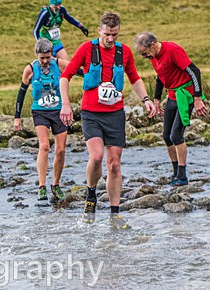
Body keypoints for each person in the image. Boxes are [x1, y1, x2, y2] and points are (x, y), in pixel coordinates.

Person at [59, 11, 156, 229]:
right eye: (107, 35)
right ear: (99, 31)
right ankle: (91, 196)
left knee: (114, 164)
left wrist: (146, 99)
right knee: (96, 158)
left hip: (115, 114)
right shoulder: (87, 49)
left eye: (115, 34)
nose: (111, 39)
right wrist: (66, 105)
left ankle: (114, 214)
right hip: (91, 113)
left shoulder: (125, 52)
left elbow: (134, 78)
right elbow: (65, 76)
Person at [134, 32, 206, 187]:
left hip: (186, 95)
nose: (144, 57)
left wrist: (198, 98)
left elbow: (194, 71)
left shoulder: (172, 50)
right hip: (172, 95)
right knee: (167, 136)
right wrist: (157, 99)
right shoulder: (153, 57)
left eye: (144, 53)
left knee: (176, 135)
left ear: (152, 44)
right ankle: (175, 173)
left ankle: (182, 176)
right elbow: (160, 76)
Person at [15, 38, 70, 204]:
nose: (45, 61)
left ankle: (55, 184)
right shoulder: (30, 69)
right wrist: (17, 117)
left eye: (48, 57)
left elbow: (81, 70)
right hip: (40, 111)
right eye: (42, 58)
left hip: (59, 111)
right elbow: (21, 92)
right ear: (36, 56)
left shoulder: (60, 64)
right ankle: (41, 186)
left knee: (60, 150)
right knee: (44, 146)